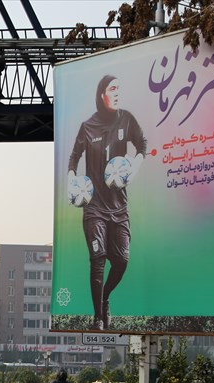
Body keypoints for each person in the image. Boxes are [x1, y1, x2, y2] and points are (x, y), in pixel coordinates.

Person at [67, 74, 147, 331]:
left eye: (118, 89)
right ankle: (98, 317)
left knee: (122, 261)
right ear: (101, 94)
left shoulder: (127, 119)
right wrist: (72, 180)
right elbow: (73, 158)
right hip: (94, 208)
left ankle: (105, 297)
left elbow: (142, 144)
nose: (116, 93)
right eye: (112, 89)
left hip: (119, 207)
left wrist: (134, 166)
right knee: (98, 259)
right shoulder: (87, 126)